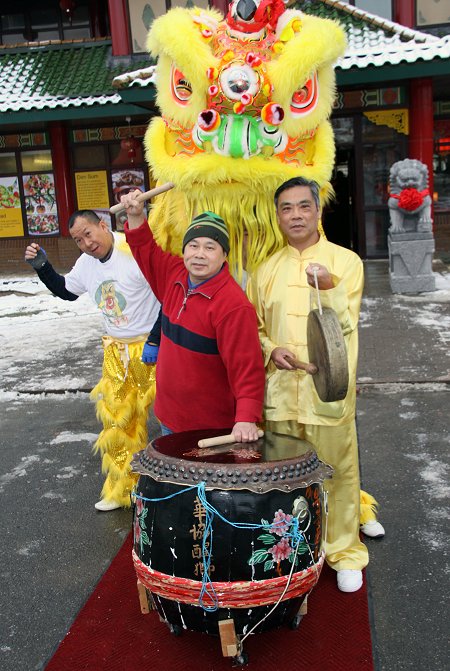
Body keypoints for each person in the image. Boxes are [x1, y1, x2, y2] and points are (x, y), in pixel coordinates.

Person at [246, 176, 384, 593]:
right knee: (285, 479)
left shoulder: (346, 262)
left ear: (318, 210)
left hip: (328, 393)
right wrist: (270, 349)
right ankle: (293, 551)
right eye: (286, 208)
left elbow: (347, 323)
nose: (296, 215)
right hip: (282, 396)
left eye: (304, 206)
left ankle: (344, 550)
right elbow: (251, 327)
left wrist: (328, 286)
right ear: (277, 216)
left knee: (338, 473)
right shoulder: (264, 270)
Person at [25, 209, 161, 512]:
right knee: (118, 422)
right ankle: (123, 489)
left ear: (103, 225)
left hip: (151, 347)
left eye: (88, 233)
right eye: (78, 239)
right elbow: (66, 291)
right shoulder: (86, 264)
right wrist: (42, 267)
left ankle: (179, 487)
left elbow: (167, 294)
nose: (86, 243)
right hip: (115, 350)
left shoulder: (133, 249)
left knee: (170, 417)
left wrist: (156, 338)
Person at [121, 190, 265, 441]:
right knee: (176, 482)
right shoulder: (174, 276)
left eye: (210, 247)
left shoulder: (233, 305)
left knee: (206, 482)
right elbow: (146, 251)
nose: (199, 254)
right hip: (169, 417)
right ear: (184, 250)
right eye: (193, 245)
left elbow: (247, 369)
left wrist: (246, 418)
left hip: (210, 430)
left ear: (224, 256)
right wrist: (135, 216)